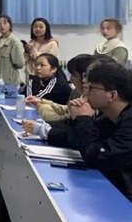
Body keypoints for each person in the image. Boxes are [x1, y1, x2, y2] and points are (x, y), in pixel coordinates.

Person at [26, 61, 132, 201]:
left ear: (112, 95)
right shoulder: (107, 118)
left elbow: (98, 155)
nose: (85, 93)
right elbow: (77, 138)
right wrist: (46, 131)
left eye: (90, 88)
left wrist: (83, 119)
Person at [27, 53, 93, 122]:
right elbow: (67, 109)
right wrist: (41, 101)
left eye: (74, 75)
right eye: (36, 65)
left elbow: (67, 119)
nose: (70, 79)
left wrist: (41, 107)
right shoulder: (78, 92)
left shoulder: (60, 84)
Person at [0, 14, 25, 86]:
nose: (2, 26)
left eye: (5, 23)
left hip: (9, 81)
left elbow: (20, 64)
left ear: (10, 25)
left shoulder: (14, 42)